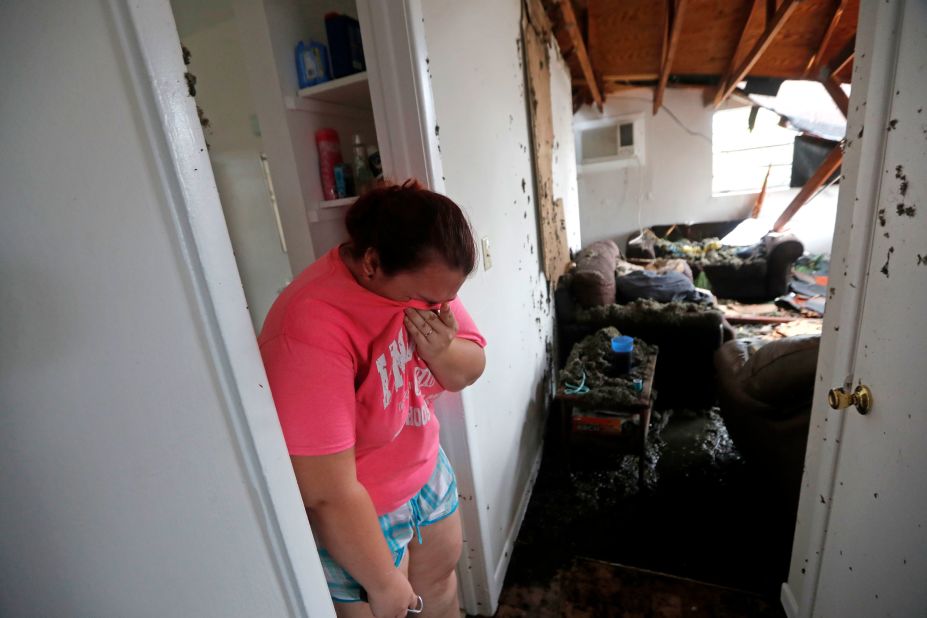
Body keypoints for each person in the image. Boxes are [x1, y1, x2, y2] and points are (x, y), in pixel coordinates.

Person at [258, 180, 487, 618]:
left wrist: (440, 349)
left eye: (449, 300)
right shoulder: (309, 327)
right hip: (363, 512)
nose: (439, 310)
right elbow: (327, 491)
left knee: (441, 591)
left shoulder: (426, 285)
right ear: (371, 263)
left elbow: (469, 367)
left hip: (425, 471)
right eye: (425, 298)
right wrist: (382, 582)